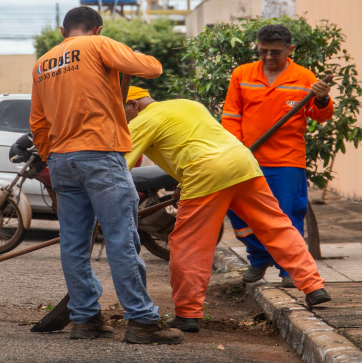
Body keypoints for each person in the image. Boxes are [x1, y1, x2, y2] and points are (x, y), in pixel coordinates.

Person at [29, 7, 183, 345]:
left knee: (73, 243)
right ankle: (142, 320)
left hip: (61, 160)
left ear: (62, 30)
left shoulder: (43, 63)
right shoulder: (99, 45)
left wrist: (51, 155)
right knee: (121, 238)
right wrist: (121, 51)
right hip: (100, 154)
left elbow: (38, 122)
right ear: (97, 29)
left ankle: (85, 320)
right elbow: (152, 68)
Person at [123, 86, 330, 333]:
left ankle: (187, 313)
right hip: (243, 163)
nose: (118, 118)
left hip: (205, 173)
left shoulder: (141, 121)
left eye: (119, 110)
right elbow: (194, 142)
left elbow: (117, 164)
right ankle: (314, 286)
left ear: (134, 104)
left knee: (190, 244)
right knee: (276, 227)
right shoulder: (188, 104)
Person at [220, 24, 333, 286]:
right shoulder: (242, 74)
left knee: (287, 216)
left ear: (289, 50)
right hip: (247, 159)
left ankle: (289, 269)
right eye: (263, 51)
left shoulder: (304, 78)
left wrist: (322, 99)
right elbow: (231, 116)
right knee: (240, 212)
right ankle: (258, 258)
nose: (269, 57)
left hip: (286, 161)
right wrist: (237, 152)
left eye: (275, 52)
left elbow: (321, 115)